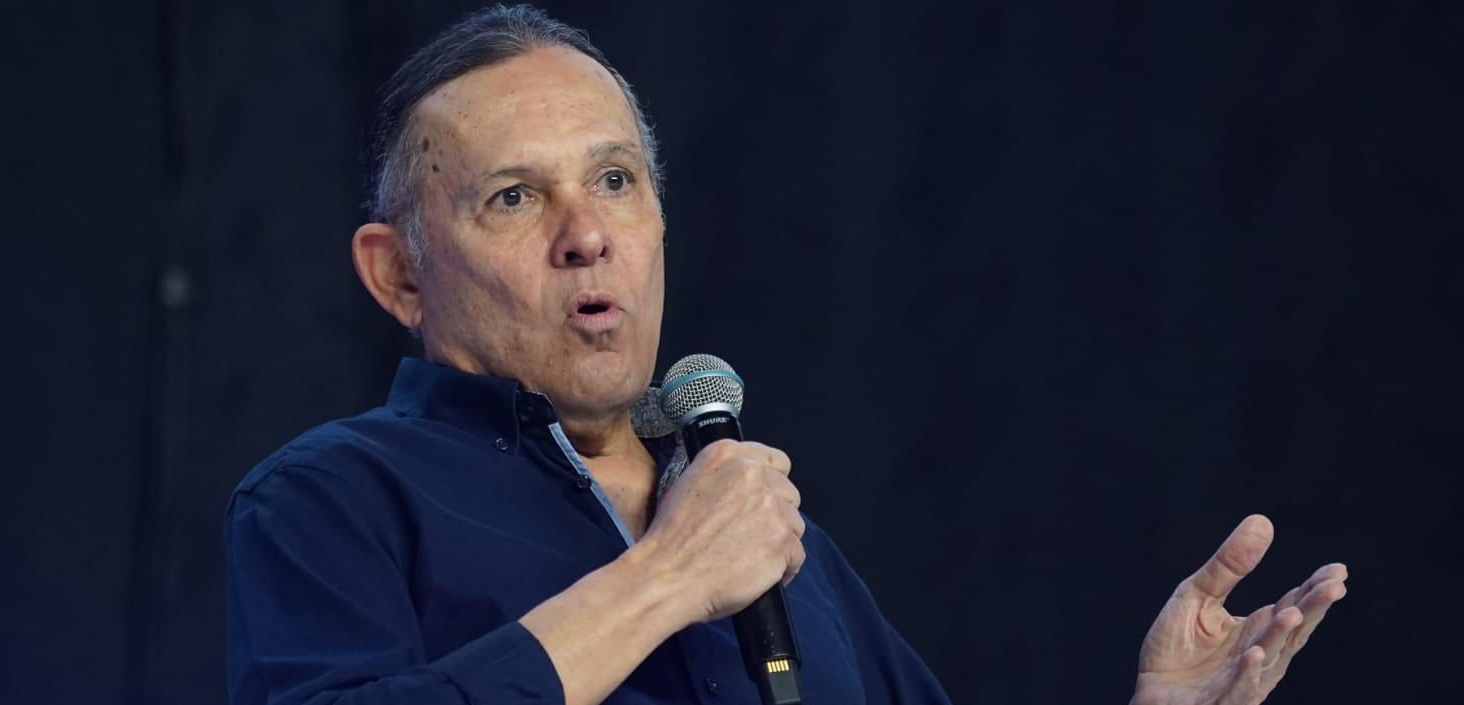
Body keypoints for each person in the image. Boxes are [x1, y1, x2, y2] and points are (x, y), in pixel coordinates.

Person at [224, 6, 1348, 705]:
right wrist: (666, 579)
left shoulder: (764, 534)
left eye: (615, 180)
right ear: (399, 274)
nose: (587, 234)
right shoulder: (331, 498)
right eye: (514, 197)